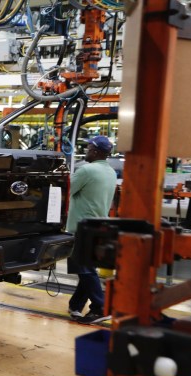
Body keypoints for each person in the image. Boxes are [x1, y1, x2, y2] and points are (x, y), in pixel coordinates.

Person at [66, 135, 118, 324]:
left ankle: (100, 307)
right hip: (99, 226)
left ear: (96, 151)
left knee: (85, 270)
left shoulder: (86, 170)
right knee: (87, 269)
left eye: (88, 148)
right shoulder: (111, 172)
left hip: (82, 227)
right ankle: (76, 306)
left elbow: (66, 191)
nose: (86, 151)